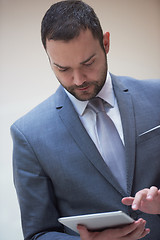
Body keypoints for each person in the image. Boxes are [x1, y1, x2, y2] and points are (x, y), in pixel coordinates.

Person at [11, 1, 160, 239]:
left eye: (88, 63)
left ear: (106, 43)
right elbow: (37, 234)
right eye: (62, 68)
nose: (78, 79)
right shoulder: (28, 135)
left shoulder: (157, 96)